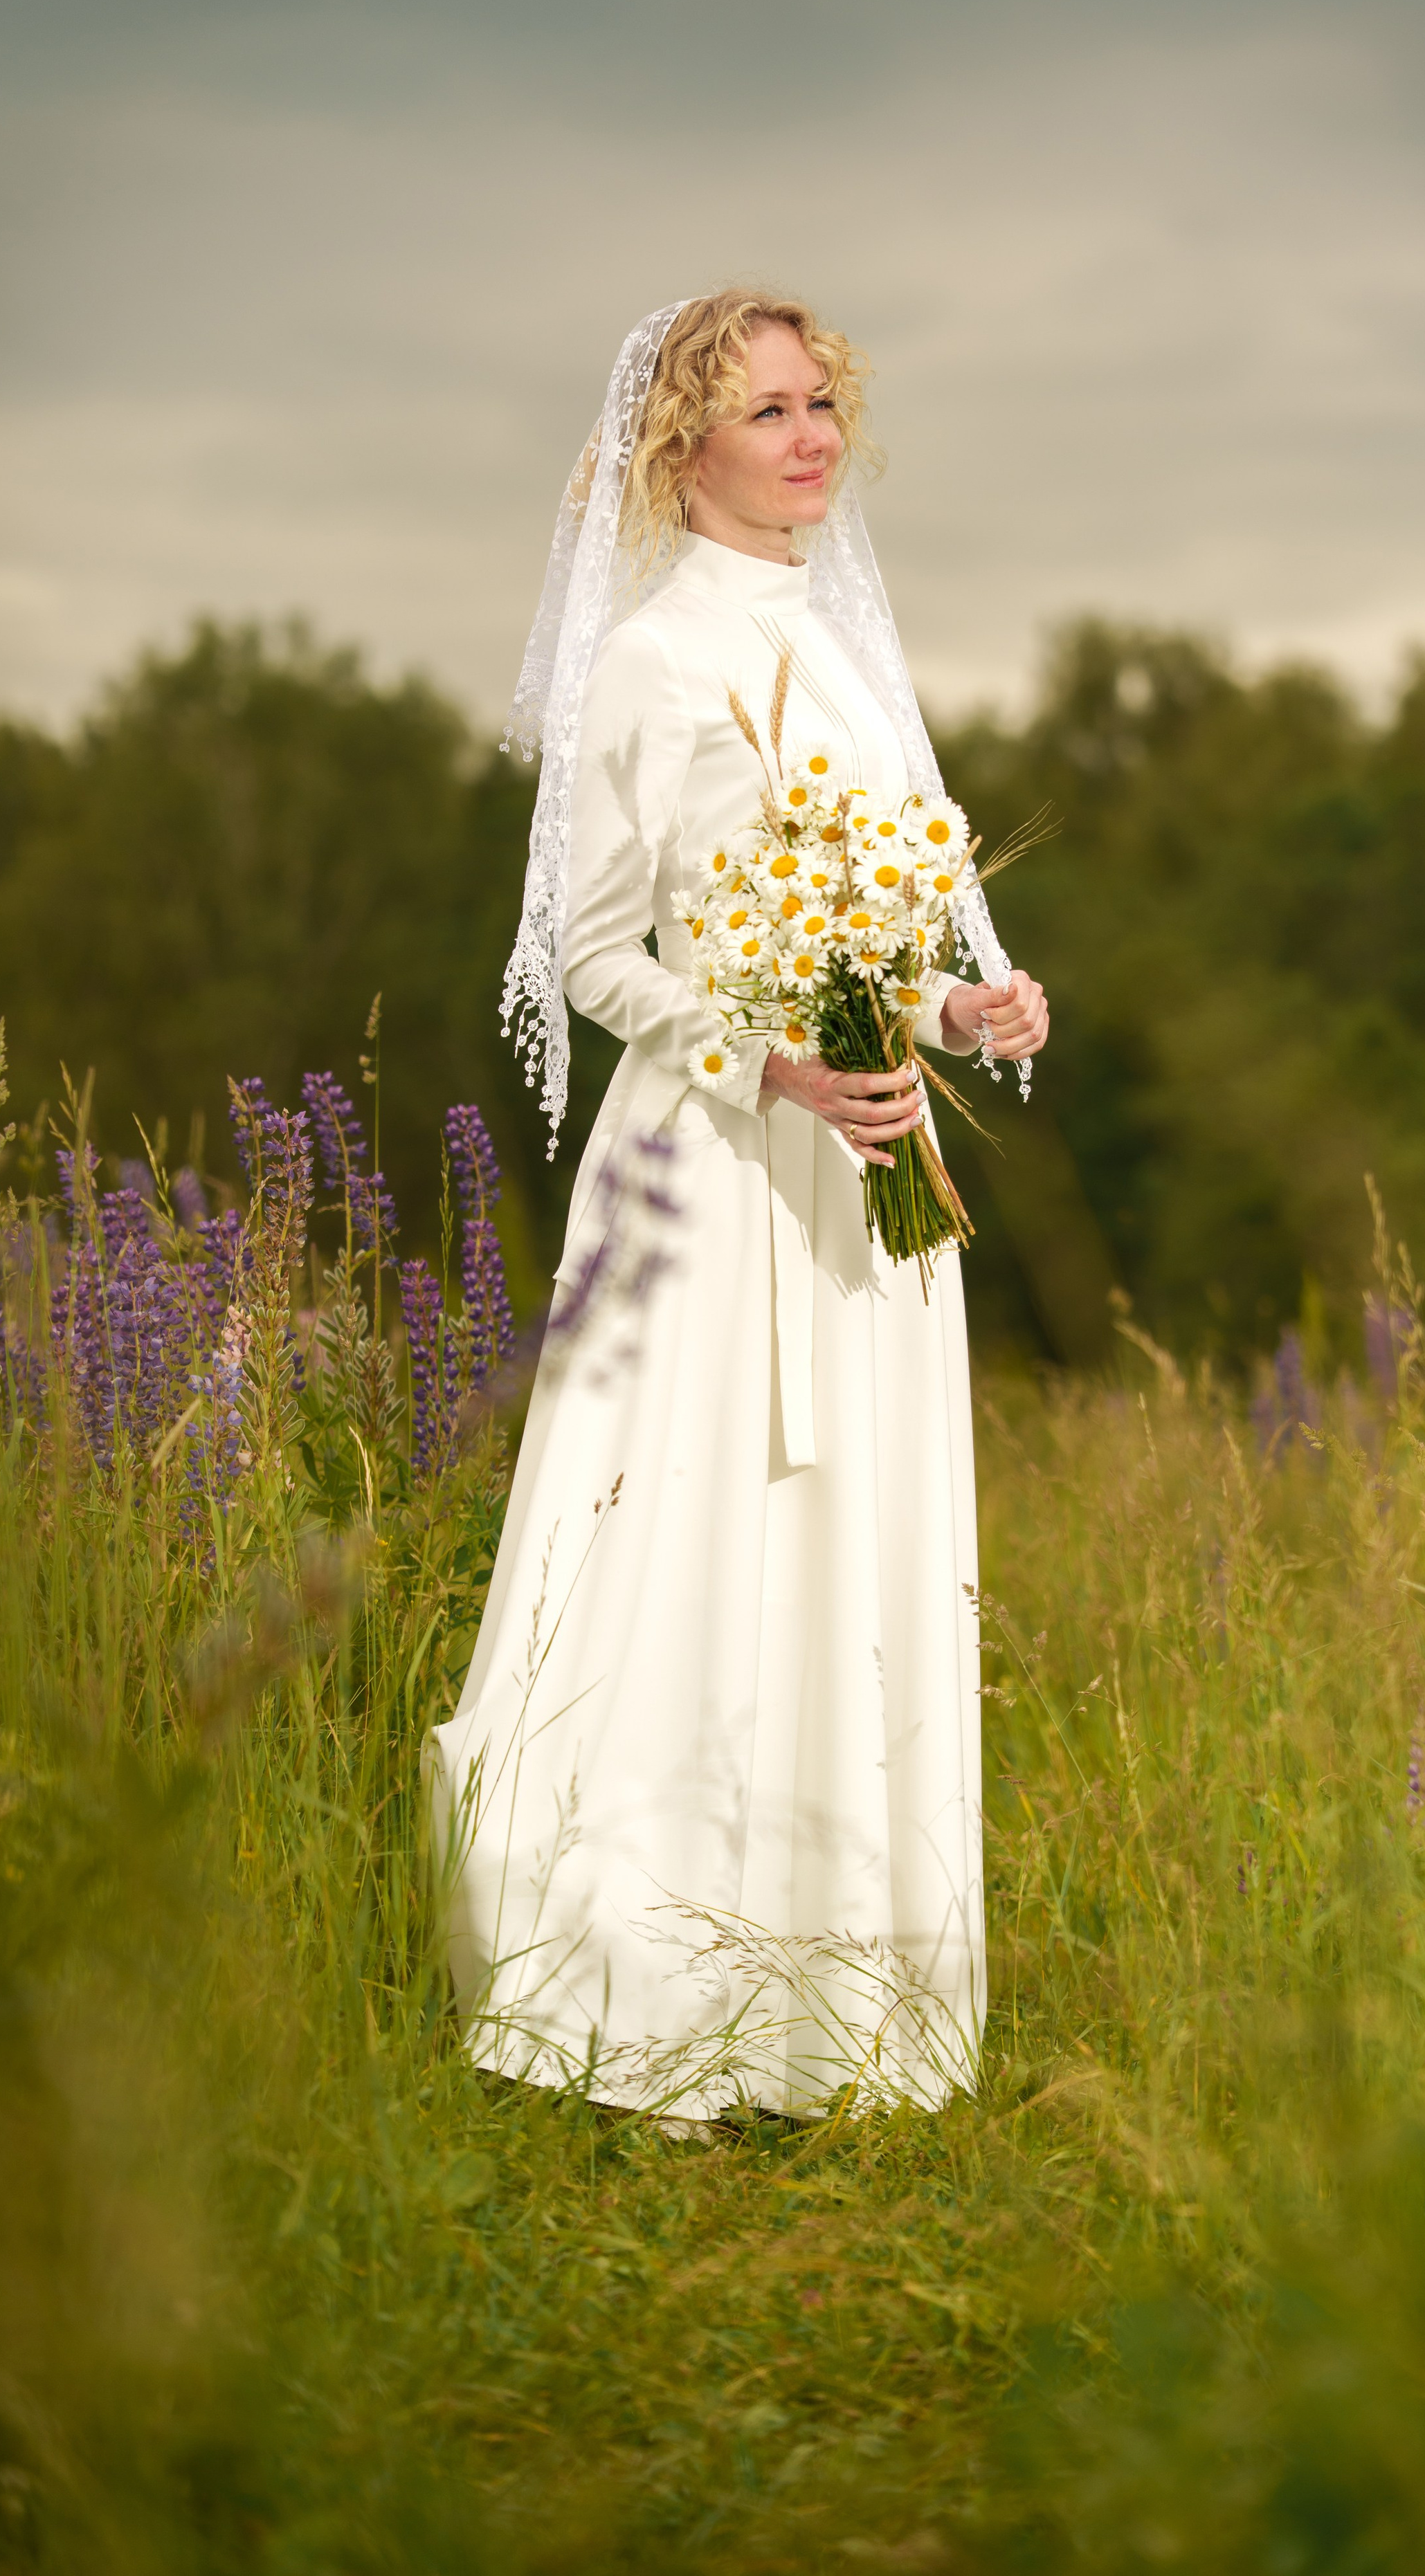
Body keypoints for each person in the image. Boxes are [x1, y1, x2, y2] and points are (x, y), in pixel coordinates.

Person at [428, 292, 1049, 2128]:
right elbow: (597, 954)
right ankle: (652, 1990)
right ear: (680, 442)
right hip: (711, 1169)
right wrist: (766, 1063)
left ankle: (839, 2016)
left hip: (867, 1172)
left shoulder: (845, 659)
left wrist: (957, 1008)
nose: (810, 436)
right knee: (691, 1536)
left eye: (821, 402)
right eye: (767, 408)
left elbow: (875, 927)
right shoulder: (650, 659)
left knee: (857, 1540)